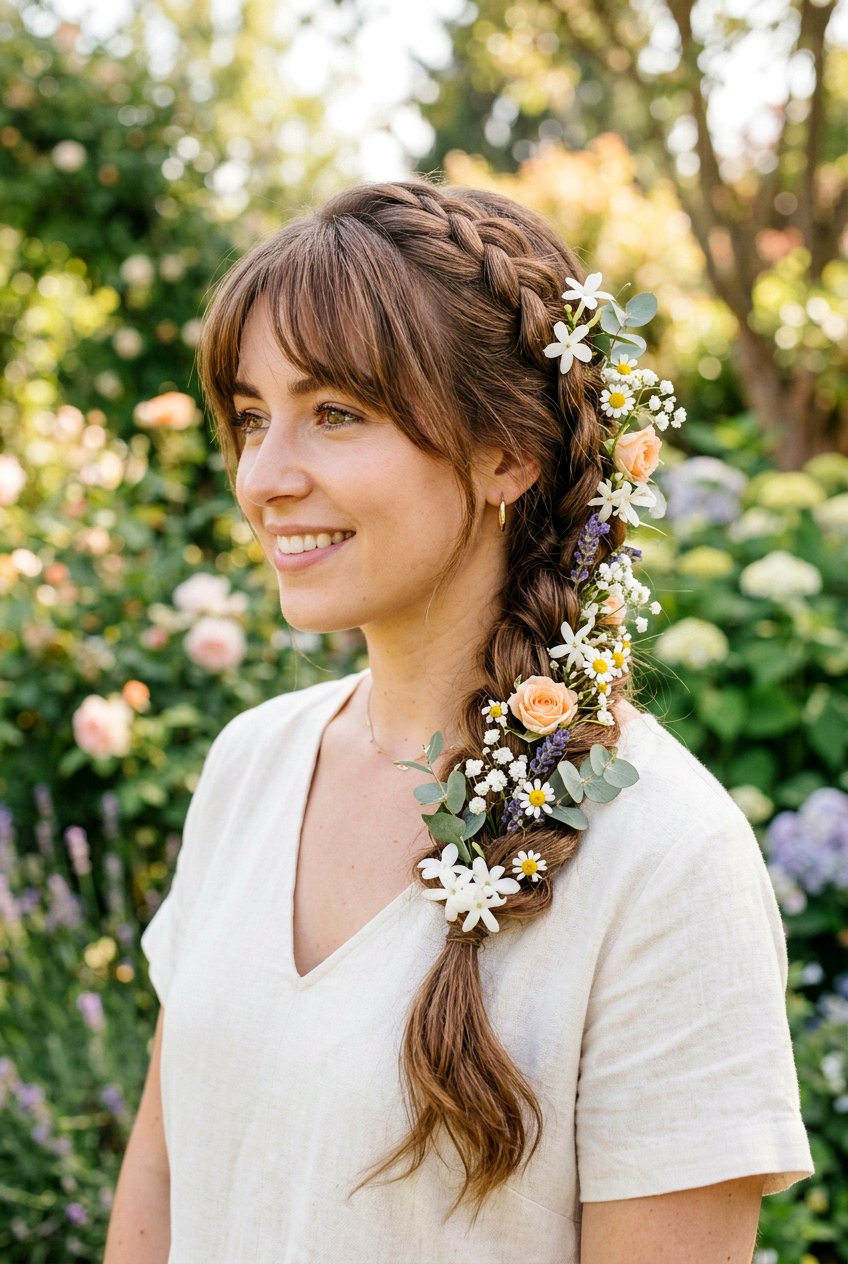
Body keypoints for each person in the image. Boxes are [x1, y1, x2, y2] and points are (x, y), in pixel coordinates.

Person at [104, 180, 813, 1264]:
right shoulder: (251, 763)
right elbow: (163, 1172)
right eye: (252, 418)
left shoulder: (665, 861)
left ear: (504, 455)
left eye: (334, 414)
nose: (264, 477)